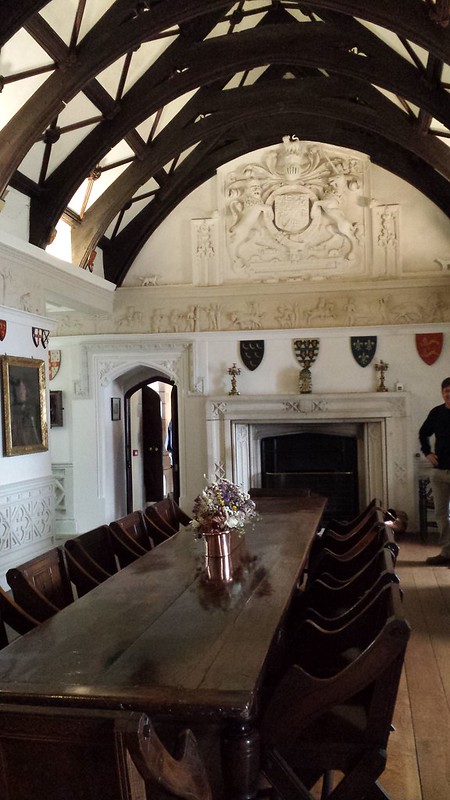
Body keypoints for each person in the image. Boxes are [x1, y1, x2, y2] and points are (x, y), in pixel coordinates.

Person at [419, 377, 450, 565]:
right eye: (446, 390)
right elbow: (423, 433)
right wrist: (427, 452)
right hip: (439, 472)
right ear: (442, 393)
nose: (449, 394)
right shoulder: (436, 413)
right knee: (441, 514)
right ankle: (447, 552)